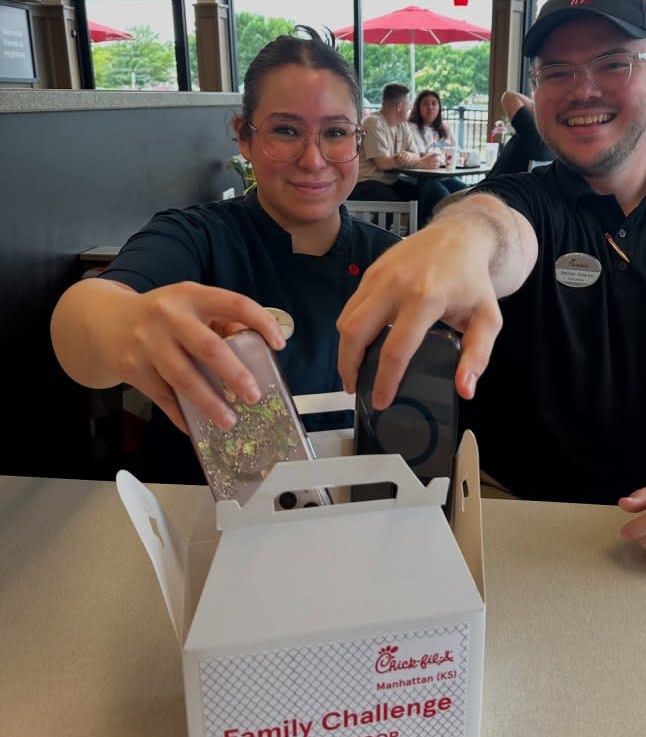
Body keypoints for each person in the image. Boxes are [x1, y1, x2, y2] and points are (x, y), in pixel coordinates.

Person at [337, 0, 646, 576]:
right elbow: (495, 227)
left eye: (612, 63)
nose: (581, 89)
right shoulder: (523, 200)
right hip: (507, 514)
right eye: (556, 72)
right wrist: (457, 239)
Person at [51, 27, 399, 485]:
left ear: (357, 138)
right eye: (286, 130)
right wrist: (126, 322)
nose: (314, 160)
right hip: (200, 507)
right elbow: (82, 318)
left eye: (335, 132)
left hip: (358, 506)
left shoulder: (392, 262)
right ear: (244, 137)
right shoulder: (196, 237)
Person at [351, 82, 451, 226]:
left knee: (434, 192)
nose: (410, 108)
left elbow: (415, 154)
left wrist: (410, 157)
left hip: (390, 182)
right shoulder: (373, 123)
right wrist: (419, 162)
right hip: (366, 182)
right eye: (408, 104)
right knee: (392, 201)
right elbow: (383, 163)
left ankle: (421, 234)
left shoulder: (402, 124)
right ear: (399, 106)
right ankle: (381, 238)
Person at [408, 88, 468, 196]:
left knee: (467, 191)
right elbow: (421, 154)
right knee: (444, 195)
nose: (430, 107)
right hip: (422, 178)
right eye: (425, 104)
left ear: (439, 107)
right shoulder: (411, 127)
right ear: (418, 107)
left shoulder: (444, 128)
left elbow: (455, 151)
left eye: (434, 103)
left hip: (443, 176)